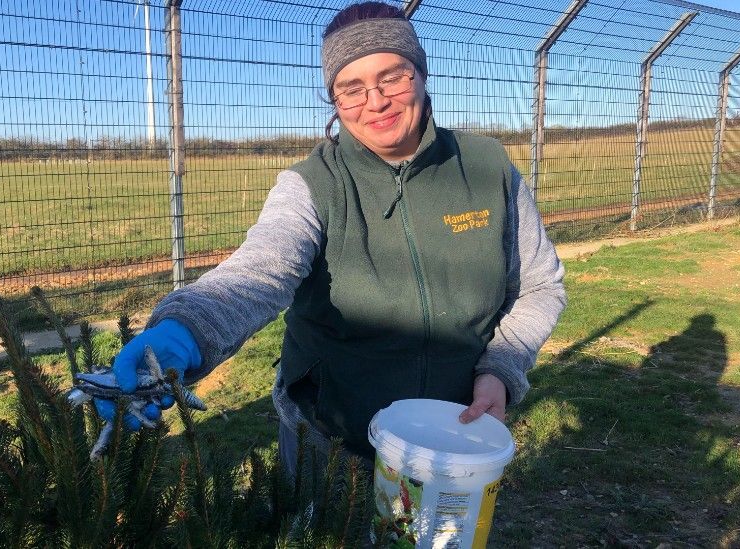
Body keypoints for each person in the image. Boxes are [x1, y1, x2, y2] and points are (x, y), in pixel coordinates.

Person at [97, 1, 566, 474]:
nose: (376, 101)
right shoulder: (311, 184)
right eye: (351, 89)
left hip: (452, 431)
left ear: (421, 74)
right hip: (328, 435)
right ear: (334, 100)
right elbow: (261, 269)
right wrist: (187, 330)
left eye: (392, 77)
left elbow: (540, 286)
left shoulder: (488, 168)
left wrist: (500, 369)